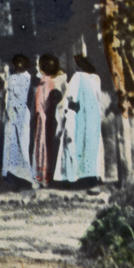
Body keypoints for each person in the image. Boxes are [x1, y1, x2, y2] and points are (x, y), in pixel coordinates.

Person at [58, 54, 106, 186]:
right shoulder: (94, 78)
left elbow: (70, 98)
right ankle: (90, 176)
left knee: (79, 143)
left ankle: (79, 176)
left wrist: (64, 112)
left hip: (80, 114)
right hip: (91, 115)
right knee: (89, 143)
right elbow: (99, 101)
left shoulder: (78, 77)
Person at [31, 54, 65, 189]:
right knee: (48, 148)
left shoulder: (44, 83)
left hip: (43, 119)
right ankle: (46, 177)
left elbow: (40, 105)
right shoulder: (51, 82)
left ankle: (42, 177)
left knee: (41, 147)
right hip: (51, 118)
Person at [2, 54, 35, 186]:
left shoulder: (28, 77)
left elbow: (26, 96)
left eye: (21, 61)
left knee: (23, 142)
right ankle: (12, 175)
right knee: (10, 142)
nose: (19, 64)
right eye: (16, 61)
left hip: (22, 112)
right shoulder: (11, 78)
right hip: (11, 112)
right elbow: (8, 95)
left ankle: (25, 176)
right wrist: (8, 109)